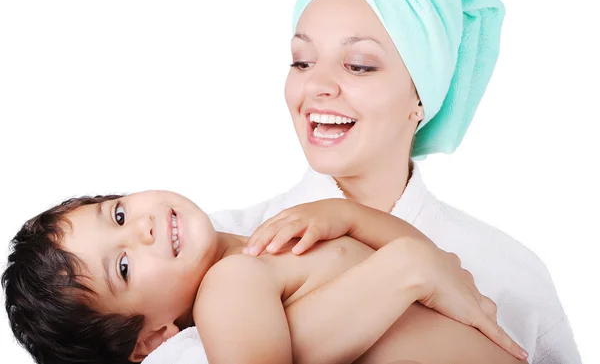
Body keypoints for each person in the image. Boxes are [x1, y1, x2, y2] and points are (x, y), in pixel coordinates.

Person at [204, 0, 578, 363]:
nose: (315, 85)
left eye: (359, 65)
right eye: (302, 62)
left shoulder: (511, 275)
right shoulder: (215, 246)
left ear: (422, 96)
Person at [2, 190, 526, 364]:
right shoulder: (226, 288)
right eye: (123, 267)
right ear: (151, 340)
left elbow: (432, 262)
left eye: (116, 214)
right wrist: (405, 268)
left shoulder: (267, 238)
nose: (139, 229)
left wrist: (347, 214)